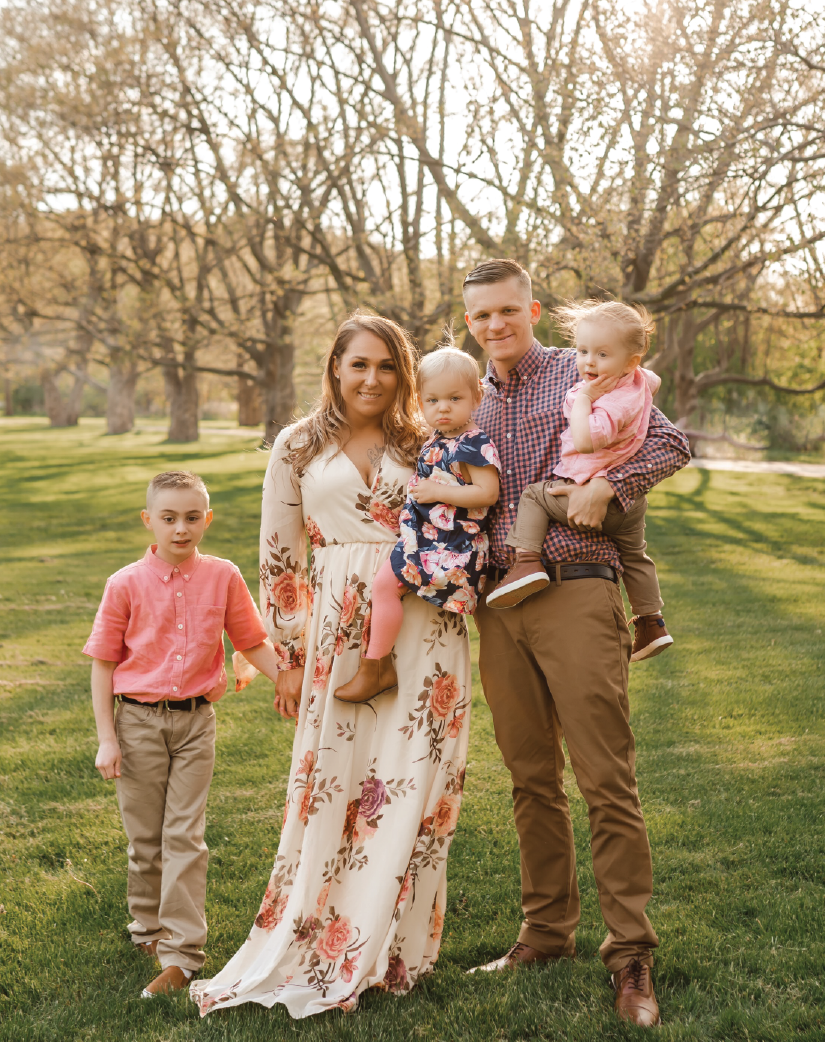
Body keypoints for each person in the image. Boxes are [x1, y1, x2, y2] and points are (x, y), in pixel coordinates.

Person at [191, 312, 473, 1019]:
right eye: (359, 365)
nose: (372, 379)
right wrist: (286, 655)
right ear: (335, 369)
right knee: (334, 787)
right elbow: (279, 554)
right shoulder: (297, 444)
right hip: (336, 630)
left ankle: (387, 952)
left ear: (402, 374)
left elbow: (470, 519)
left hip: (426, 627)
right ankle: (324, 942)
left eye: (385, 366)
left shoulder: (428, 440)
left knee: (412, 787)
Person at [463, 260, 690, 1028]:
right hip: (498, 603)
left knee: (605, 779)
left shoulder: (582, 365)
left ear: (529, 308)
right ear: (468, 324)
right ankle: (545, 934)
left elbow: (671, 442)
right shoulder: (473, 396)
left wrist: (613, 487)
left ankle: (630, 952)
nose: (494, 326)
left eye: (505, 311)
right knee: (530, 779)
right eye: (479, 316)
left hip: (576, 589)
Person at [84, 470, 278, 998]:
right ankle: (147, 929)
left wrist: (290, 679)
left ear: (207, 519)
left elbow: (251, 640)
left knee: (184, 836)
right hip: (137, 724)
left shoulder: (223, 576)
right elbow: (103, 665)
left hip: (195, 725)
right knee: (146, 841)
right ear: (149, 521)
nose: (181, 529)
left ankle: (183, 954)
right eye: (168, 518)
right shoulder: (124, 583)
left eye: (192, 518)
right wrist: (108, 737)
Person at [486, 299, 673, 660]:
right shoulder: (633, 381)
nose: (589, 361)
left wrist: (584, 401)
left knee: (535, 496)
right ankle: (651, 621)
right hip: (629, 510)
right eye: (583, 350)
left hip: (590, 525)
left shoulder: (601, 392)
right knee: (636, 555)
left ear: (532, 311)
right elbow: (653, 379)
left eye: (602, 354)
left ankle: (526, 561)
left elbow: (665, 443)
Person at [334, 346, 500, 703]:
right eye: (432, 400)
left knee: (382, 586)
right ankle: (377, 664)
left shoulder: (474, 443)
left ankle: (375, 667)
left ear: (477, 397)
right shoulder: (440, 439)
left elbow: (487, 493)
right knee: (384, 589)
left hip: (448, 544)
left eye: (454, 398)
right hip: (427, 537)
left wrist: (437, 491)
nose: (442, 407)